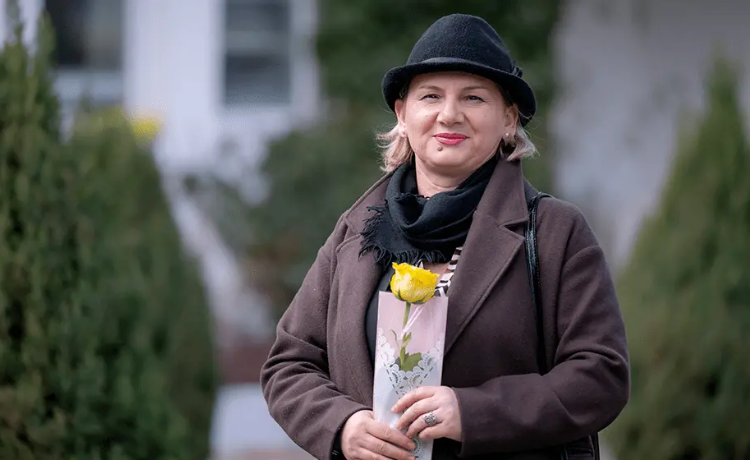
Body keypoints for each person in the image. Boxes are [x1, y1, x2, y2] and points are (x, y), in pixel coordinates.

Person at [261, 13, 629, 460]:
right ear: (403, 113)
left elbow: (601, 376)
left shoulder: (554, 232)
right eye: (430, 96)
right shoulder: (355, 230)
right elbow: (289, 364)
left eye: (473, 98)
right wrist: (342, 426)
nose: (448, 114)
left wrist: (473, 411)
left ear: (508, 119)